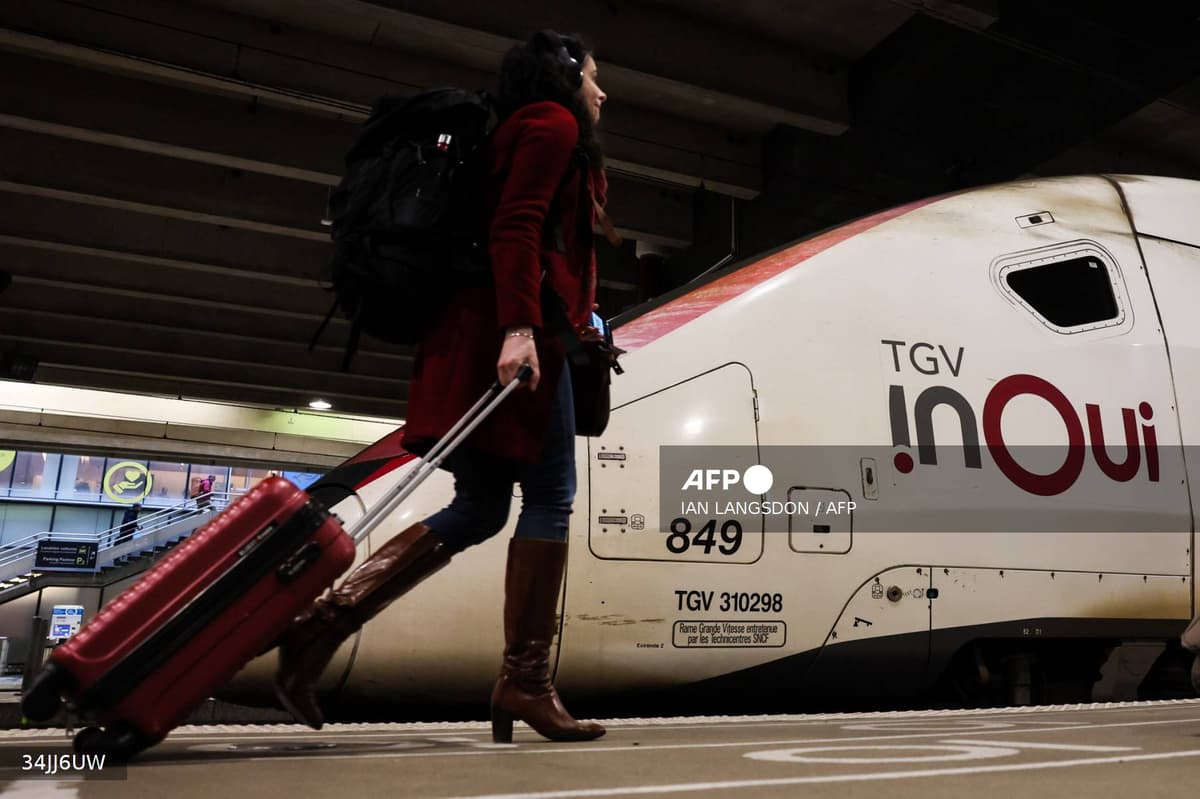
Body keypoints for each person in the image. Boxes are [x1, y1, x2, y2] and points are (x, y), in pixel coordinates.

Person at [273, 29, 609, 743]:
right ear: (563, 78)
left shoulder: (517, 127)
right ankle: (525, 680)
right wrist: (522, 329)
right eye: (593, 78)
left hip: (470, 334)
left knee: (484, 505)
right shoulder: (551, 125)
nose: (601, 93)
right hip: (512, 336)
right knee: (551, 495)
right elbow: (516, 228)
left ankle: (319, 628)